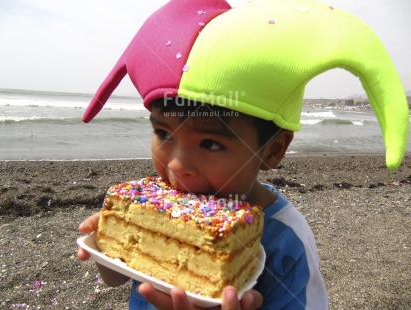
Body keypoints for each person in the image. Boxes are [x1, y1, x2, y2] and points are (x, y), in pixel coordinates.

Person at [77, 0, 409, 309]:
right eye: (164, 133)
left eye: (211, 144)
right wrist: (108, 241)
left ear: (272, 150)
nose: (177, 165)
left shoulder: (286, 243)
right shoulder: (147, 210)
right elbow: (119, 275)